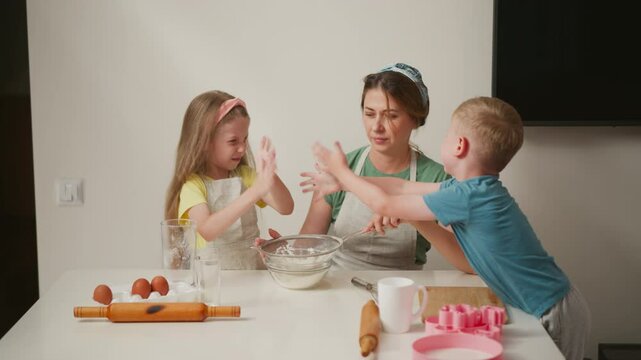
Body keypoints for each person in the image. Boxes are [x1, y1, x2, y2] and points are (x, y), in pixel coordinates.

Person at [308, 96, 590, 359]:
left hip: (554, 309)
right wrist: (344, 183)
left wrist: (343, 171)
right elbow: (401, 186)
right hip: (548, 303)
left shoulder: (470, 196)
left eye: (447, 134)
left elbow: (384, 204)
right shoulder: (468, 189)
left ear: (459, 146)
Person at [264, 63, 457, 271]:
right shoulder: (339, 170)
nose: (377, 127)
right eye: (369, 113)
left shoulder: (437, 178)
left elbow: (464, 259)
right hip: (338, 289)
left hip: (405, 291)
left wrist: (414, 218)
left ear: (415, 119)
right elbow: (307, 247)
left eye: (391, 116)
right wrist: (284, 253)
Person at [165, 90, 294, 270]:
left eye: (245, 139)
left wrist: (269, 173)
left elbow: (286, 207)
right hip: (214, 281)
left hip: (252, 273)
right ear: (204, 142)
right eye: (233, 141)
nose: (242, 148)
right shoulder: (193, 186)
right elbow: (207, 230)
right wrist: (254, 193)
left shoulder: (245, 175)